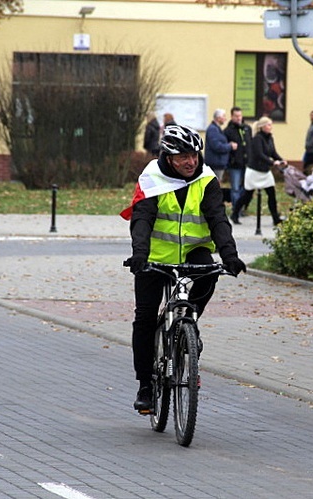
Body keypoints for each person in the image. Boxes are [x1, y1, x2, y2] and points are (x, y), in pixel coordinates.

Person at [120, 124, 247, 413]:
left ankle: (189, 323)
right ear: (168, 157)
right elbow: (142, 219)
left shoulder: (206, 179)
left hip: (194, 251)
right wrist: (139, 254)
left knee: (209, 273)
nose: (191, 162)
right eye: (183, 157)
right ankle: (145, 386)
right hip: (154, 256)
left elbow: (218, 220)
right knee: (144, 318)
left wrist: (230, 255)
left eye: (194, 155)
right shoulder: (152, 178)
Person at [230, 116, 284, 226]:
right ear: (262, 127)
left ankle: (275, 218)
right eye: (268, 125)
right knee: (247, 195)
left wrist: (281, 160)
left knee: (271, 194)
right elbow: (260, 155)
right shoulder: (257, 139)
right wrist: (272, 162)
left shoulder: (270, 138)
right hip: (254, 171)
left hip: (265, 171)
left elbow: (273, 152)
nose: (271, 127)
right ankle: (235, 213)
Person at [223, 106, 251, 214]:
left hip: (246, 163)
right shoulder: (228, 131)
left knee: (245, 188)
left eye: (240, 115)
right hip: (234, 164)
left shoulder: (247, 129)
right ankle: (236, 211)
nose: (239, 118)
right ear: (232, 116)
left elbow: (250, 144)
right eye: (236, 116)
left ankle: (241, 207)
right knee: (235, 188)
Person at [204, 108, 237, 182]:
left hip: (218, 164)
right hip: (215, 164)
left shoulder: (216, 129)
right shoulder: (213, 129)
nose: (225, 119)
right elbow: (217, 146)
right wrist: (230, 146)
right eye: (224, 116)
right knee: (215, 187)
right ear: (218, 118)